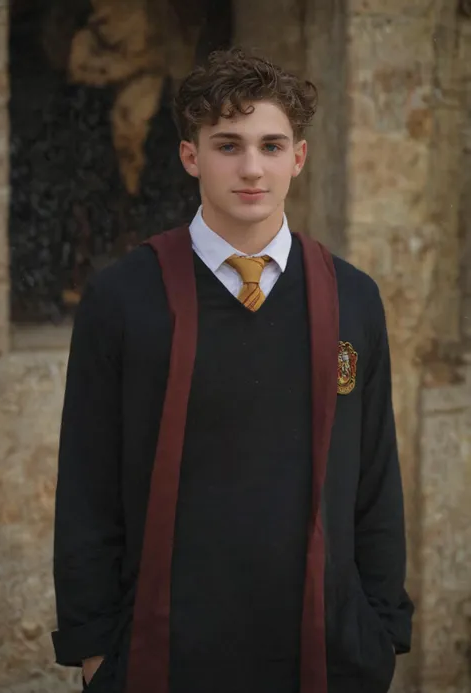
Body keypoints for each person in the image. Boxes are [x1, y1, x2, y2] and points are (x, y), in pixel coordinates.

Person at [52, 49, 414, 693]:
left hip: (324, 652)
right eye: (227, 145)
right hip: (168, 654)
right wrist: (92, 648)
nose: (251, 168)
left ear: (298, 158)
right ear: (191, 156)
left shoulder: (352, 298)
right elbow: (86, 484)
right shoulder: (122, 297)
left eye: (272, 145)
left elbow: (376, 475)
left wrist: (382, 628)